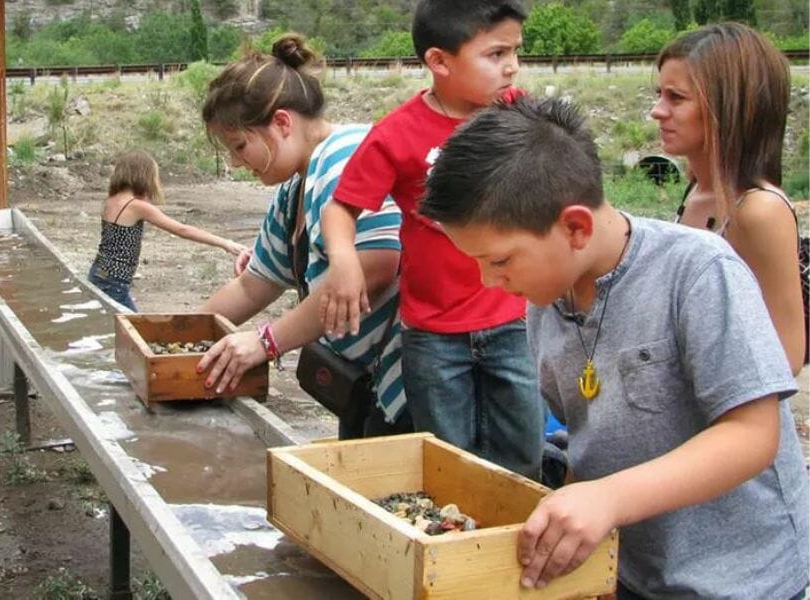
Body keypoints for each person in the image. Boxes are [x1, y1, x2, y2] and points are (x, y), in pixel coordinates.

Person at [420, 97, 809, 599]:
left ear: (575, 227)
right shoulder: (546, 299)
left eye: (499, 261)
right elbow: (589, 439)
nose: (488, 281)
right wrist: (587, 546)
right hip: (633, 573)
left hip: (742, 580)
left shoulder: (696, 272)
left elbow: (754, 435)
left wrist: (609, 499)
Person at [317, 0, 543, 479]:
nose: (512, 67)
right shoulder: (396, 135)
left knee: (523, 452)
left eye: (515, 52)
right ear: (439, 62)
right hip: (434, 335)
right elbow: (341, 208)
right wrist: (344, 261)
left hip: (515, 320)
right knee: (447, 460)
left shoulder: (519, 117)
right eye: (496, 53)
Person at [195, 35, 412, 438]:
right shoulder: (294, 188)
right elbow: (253, 284)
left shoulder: (345, 155)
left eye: (240, 145)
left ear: (281, 123)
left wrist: (267, 341)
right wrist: (174, 332)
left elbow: (377, 262)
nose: (236, 162)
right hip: (368, 384)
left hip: (408, 383)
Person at [651, 22, 806, 373]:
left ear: (728, 107)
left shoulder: (758, 211)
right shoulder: (695, 190)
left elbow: (787, 354)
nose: (657, 110)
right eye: (659, 94)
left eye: (676, 97)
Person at [89, 151, 245, 310]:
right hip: (114, 282)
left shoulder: (111, 200)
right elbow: (182, 229)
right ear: (144, 176)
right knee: (132, 330)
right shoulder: (136, 206)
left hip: (99, 273)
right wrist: (224, 243)